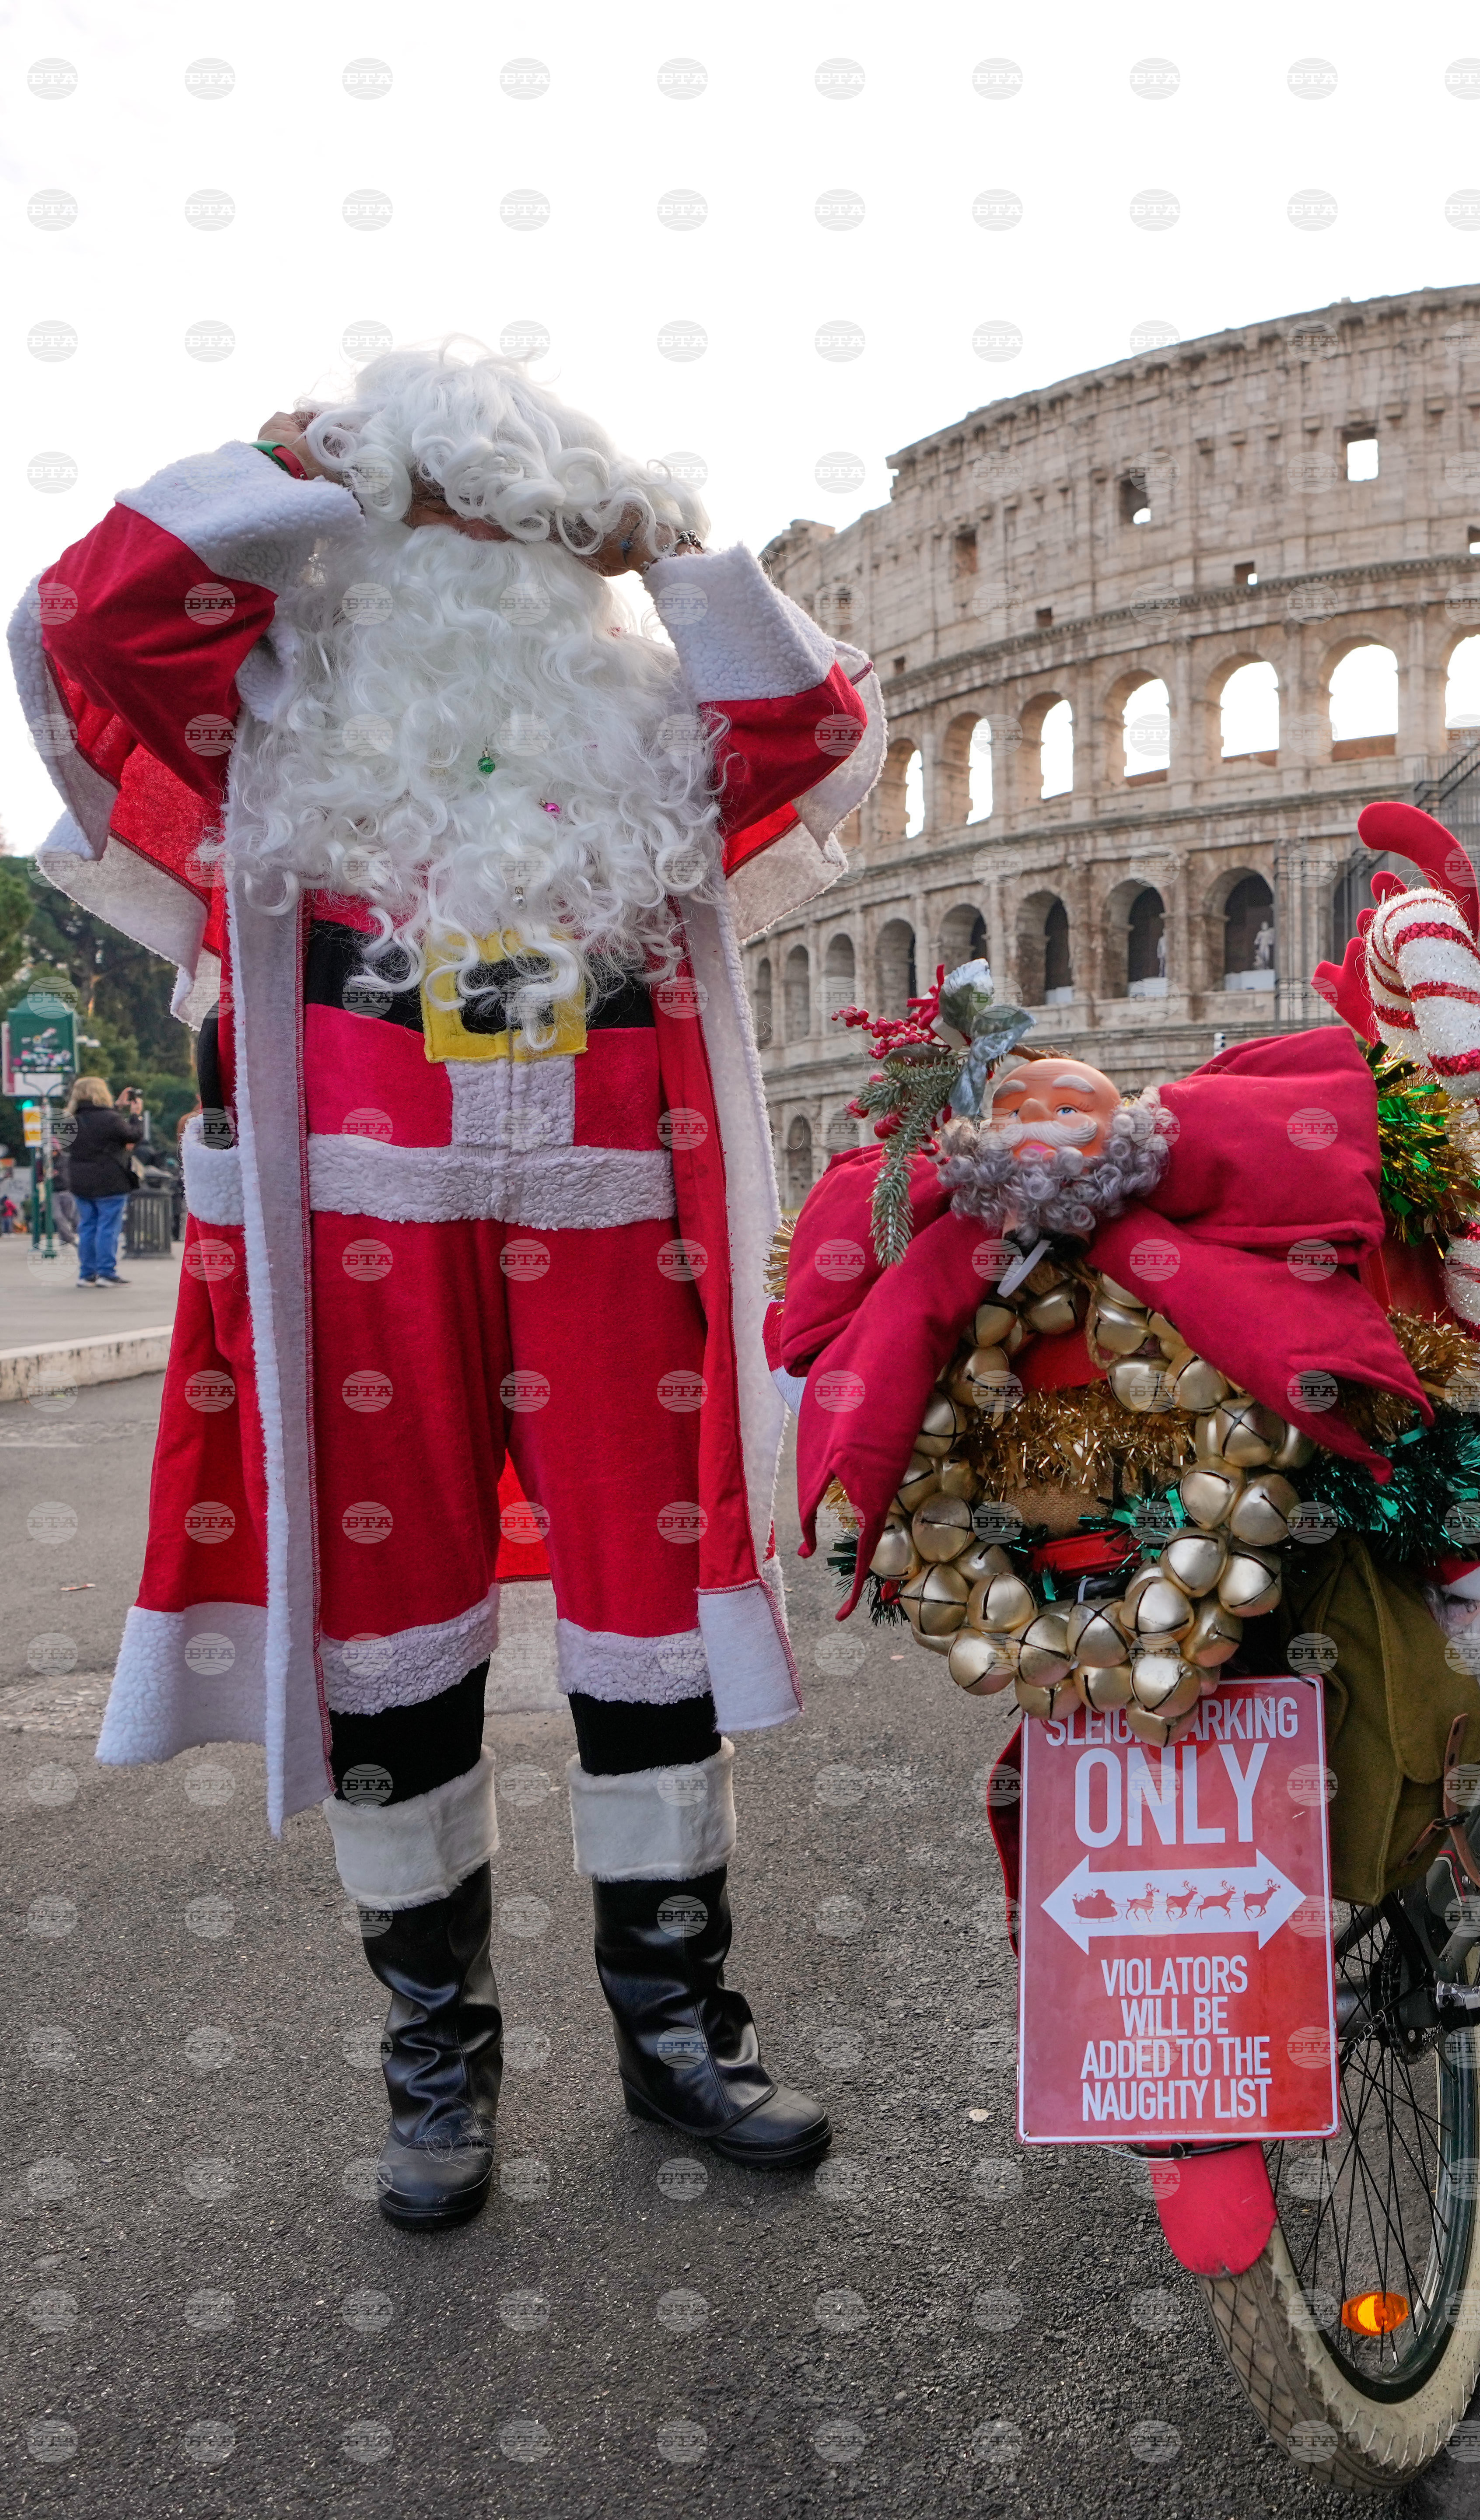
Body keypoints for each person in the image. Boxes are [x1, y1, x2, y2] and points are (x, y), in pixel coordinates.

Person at [14, 346, 884, 2227]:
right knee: (392, 1647)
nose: (473, 563)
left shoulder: (649, 721)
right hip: (357, 1228)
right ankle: (438, 2063)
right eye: (437, 523)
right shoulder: (275, 703)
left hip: (610, 1218)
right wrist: (309, 470)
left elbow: (817, 736)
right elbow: (84, 625)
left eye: (517, 531)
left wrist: (673, 551)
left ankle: (678, 2033)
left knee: (650, 1637)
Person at [61, 1075, 143, 1284]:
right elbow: (131, 1136)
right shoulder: (110, 1118)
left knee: (87, 1226)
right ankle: (106, 1272)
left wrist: (117, 1107)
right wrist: (135, 1116)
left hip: (80, 1180)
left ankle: (87, 1274)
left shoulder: (70, 1119)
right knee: (108, 1227)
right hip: (110, 1180)